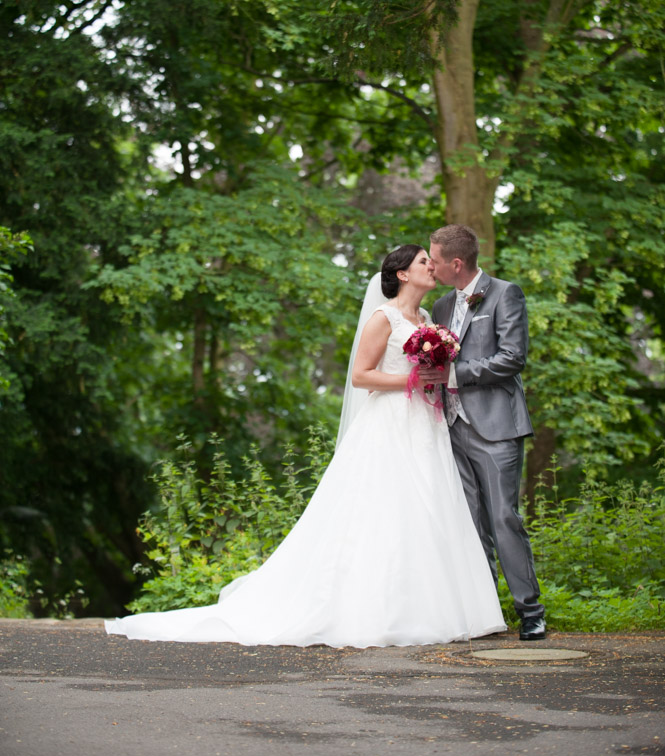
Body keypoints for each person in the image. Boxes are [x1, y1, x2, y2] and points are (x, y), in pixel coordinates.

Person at [105, 244, 506, 647]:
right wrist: (411, 382)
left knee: (430, 508)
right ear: (402, 273)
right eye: (423, 261)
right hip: (388, 424)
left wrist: (434, 374)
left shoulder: (426, 318)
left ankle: (435, 609)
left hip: (426, 423)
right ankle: (377, 611)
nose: (431, 267)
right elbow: (361, 377)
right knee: (385, 509)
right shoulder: (382, 318)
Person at [428, 224, 546, 641]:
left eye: (435, 260)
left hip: (496, 427)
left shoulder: (505, 294)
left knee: (502, 517)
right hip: (452, 428)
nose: (431, 266)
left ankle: (530, 610)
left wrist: (454, 374)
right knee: (471, 523)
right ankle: (486, 610)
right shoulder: (441, 307)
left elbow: (513, 358)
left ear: (456, 263)